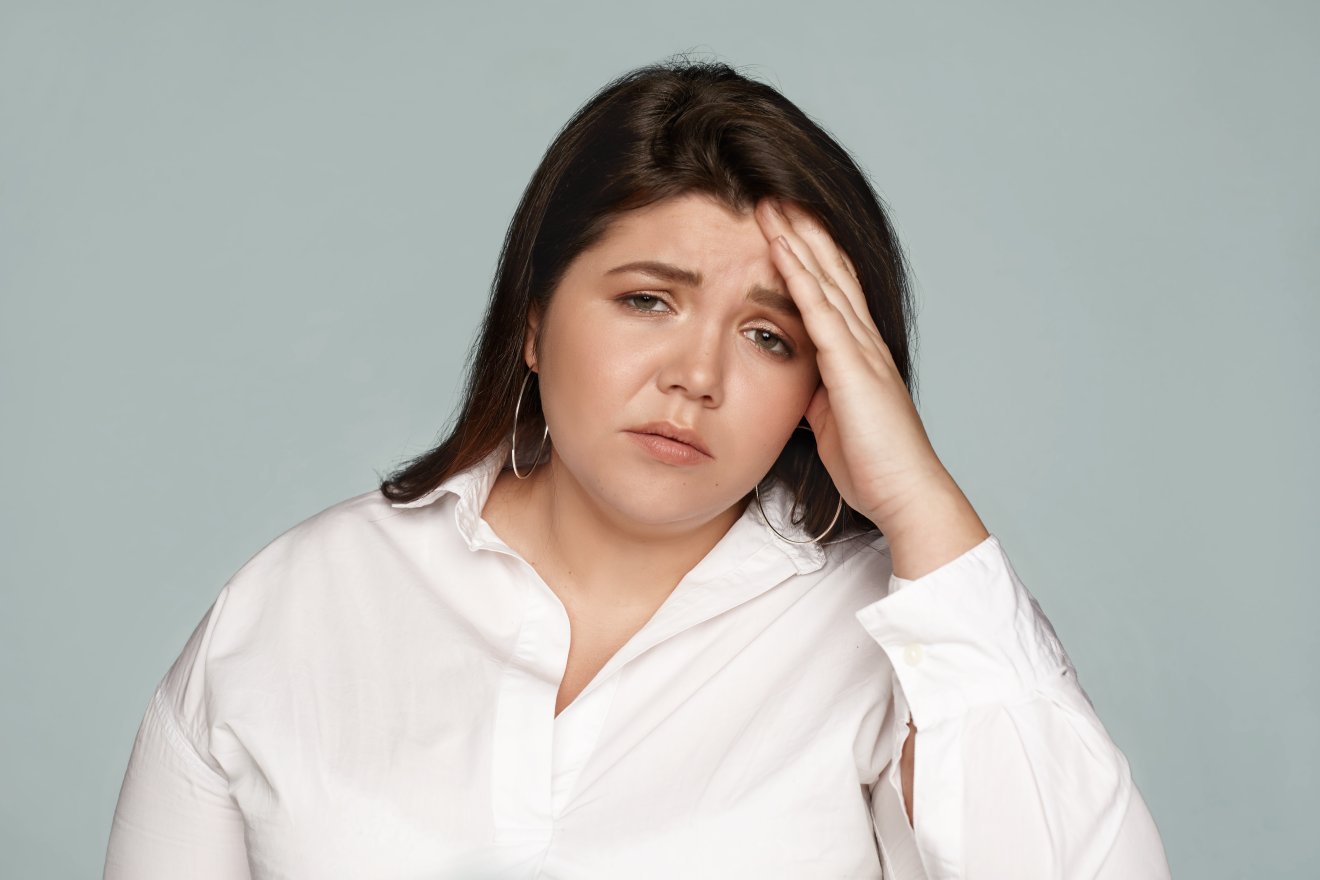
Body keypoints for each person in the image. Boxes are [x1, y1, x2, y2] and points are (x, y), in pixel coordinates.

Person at [103, 58, 1172, 879]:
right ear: (533, 320)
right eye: (647, 300)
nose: (696, 374)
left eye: (769, 335)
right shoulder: (294, 607)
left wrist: (924, 507)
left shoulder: (905, 647)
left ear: (828, 382)